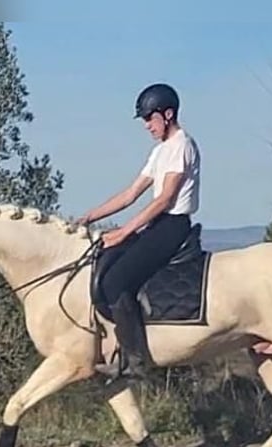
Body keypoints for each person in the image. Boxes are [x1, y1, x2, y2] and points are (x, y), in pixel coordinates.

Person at [77, 82, 201, 377]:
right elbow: (130, 194)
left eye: (149, 118)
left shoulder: (182, 146)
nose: (147, 126)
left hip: (172, 225)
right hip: (158, 224)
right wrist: (90, 216)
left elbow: (165, 199)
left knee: (116, 280)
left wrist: (124, 232)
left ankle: (134, 360)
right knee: (106, 264)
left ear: (167, 115)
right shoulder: (160, 152)